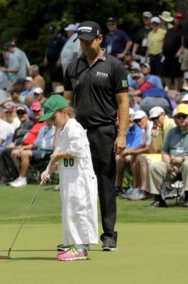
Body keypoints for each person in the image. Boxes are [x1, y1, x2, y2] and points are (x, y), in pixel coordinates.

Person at [64, 21, 129, 251]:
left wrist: (121, 135)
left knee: (105, 184)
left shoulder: (114, 66)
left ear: (100, 38)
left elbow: (123, 103)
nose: (83, 45)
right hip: (79, 134)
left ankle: (109, 234)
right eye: (80, 40)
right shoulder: (72, 67)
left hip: (104, 132)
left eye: (87, 40)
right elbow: (67, 103)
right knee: (78, 185)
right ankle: (81, 236)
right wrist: (63, 134)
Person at [41, 95, 98, 261]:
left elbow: (78, 151)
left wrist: (59, 156)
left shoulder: (74, 127)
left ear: (64, 111)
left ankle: (80, 249)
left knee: (78, 211)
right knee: (69, 212)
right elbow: (57, 153)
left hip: (79, 177)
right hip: (69, 176)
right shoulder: (64, 130)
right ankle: (74, 245)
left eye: (53, 117)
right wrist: (48, 170)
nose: (52, 121)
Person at [148, 104, 188, 208]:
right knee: (153, 166)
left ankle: (187, 198)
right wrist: (169, 164)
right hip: (171, 165)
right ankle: (158, 199)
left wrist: (182, 159)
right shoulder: (171, 132)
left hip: (185, 164)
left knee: (187, 164)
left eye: (184, 116)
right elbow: (164, 151)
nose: (181, 119)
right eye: (178, 116)